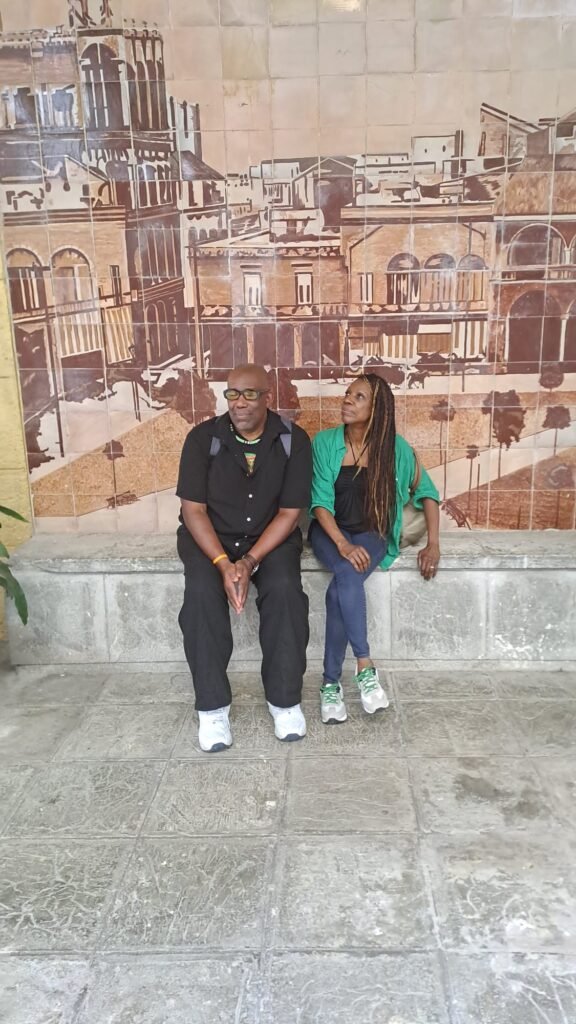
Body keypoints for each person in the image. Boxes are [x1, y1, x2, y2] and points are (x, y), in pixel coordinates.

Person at [176, 364, 312, 752]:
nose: (239, 402)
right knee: (201, 594)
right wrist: (222, 564)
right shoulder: (203, 439)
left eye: (250, 394)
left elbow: (289, 514)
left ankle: (284, 702)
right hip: (210, 539)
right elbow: (193, 510)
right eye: (232, 393)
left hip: (271, 539)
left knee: (286, 591)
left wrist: (249, 561)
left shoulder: (292, 441)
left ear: (268, 397)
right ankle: (213, 709)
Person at [309, 373, 440, 725]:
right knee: (346, 572)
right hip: (329, 532)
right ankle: (365, 665)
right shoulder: (324, 443)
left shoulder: (396, 449)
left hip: (373, 534)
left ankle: (330, 684)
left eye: (359, 397)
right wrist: (341, 543)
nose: (348, 400)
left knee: (342, 586)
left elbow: (428, 493)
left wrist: (434, 544)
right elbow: (320, 502)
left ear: (377, 407)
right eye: (347, 394)